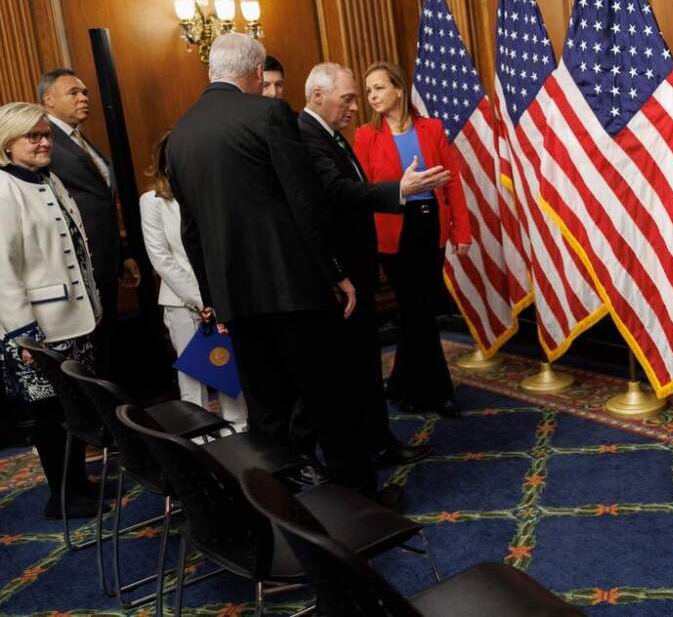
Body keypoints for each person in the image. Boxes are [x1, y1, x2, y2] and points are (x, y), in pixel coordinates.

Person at [166, 33, 379, 497]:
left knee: (266, 412)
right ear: (256, 72)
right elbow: (305, 203)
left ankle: (283, 504)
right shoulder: (268, 114)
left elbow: (191, 231)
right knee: (328, 399)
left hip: (235, 298)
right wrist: (335, 272)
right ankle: (360, 501)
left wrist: (212, 300)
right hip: (294, 289)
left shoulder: (179, 133)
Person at [299, 62, 452, 468]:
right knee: (368, 355)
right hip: (362, 257)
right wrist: (400, 190)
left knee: (389, 341)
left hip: (407, 239)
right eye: (350, 97)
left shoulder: (332, 135)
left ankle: (385, 431)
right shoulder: (316, 136)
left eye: (364, 93)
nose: (358, 105)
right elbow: (343, 191)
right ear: (318, 96)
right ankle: (376, 442)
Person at [0, 102, 105, 518]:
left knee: (74, 407)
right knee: (49, 413)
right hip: (40, 328)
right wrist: (23, 333)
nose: (44, 142)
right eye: (34, 136)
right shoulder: (4, 190)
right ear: (9, 142)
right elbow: (3, 271)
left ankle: (78, 483)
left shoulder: (49, 178)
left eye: (46, 134)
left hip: (75, 319)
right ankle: (61, 496)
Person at [354, 61, 471, 418]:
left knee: (415, 311)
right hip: (392, 230)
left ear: (399, 90)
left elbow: (452, 181)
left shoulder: (431, 128)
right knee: (416, 309)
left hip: (429, 225)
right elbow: (363, 191)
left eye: (379, 88)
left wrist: (461, 232)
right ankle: (438, 391)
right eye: (369, 89)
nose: (372, 95)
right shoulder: (365, 136)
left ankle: (404, 385)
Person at [139, 131, 247, 430]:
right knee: (193, 377)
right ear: (165, 160)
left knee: (229, 370)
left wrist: (217, 296)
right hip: (181, 303)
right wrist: (203, 299)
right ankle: (198, 441)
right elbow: (161, 259)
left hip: (222, 297)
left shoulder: (212, 194)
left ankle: (239, 430)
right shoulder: (152, 201)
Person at [39, 69, 141, 379]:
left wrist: (121, 252)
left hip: (105, 262)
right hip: (74, 269)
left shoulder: (80, 139)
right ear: (48, 99)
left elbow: (103, 203)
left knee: (105, 351)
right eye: (73, 92)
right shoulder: (45, 142)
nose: (84, 98)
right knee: (87, 362)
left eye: (85, 92)